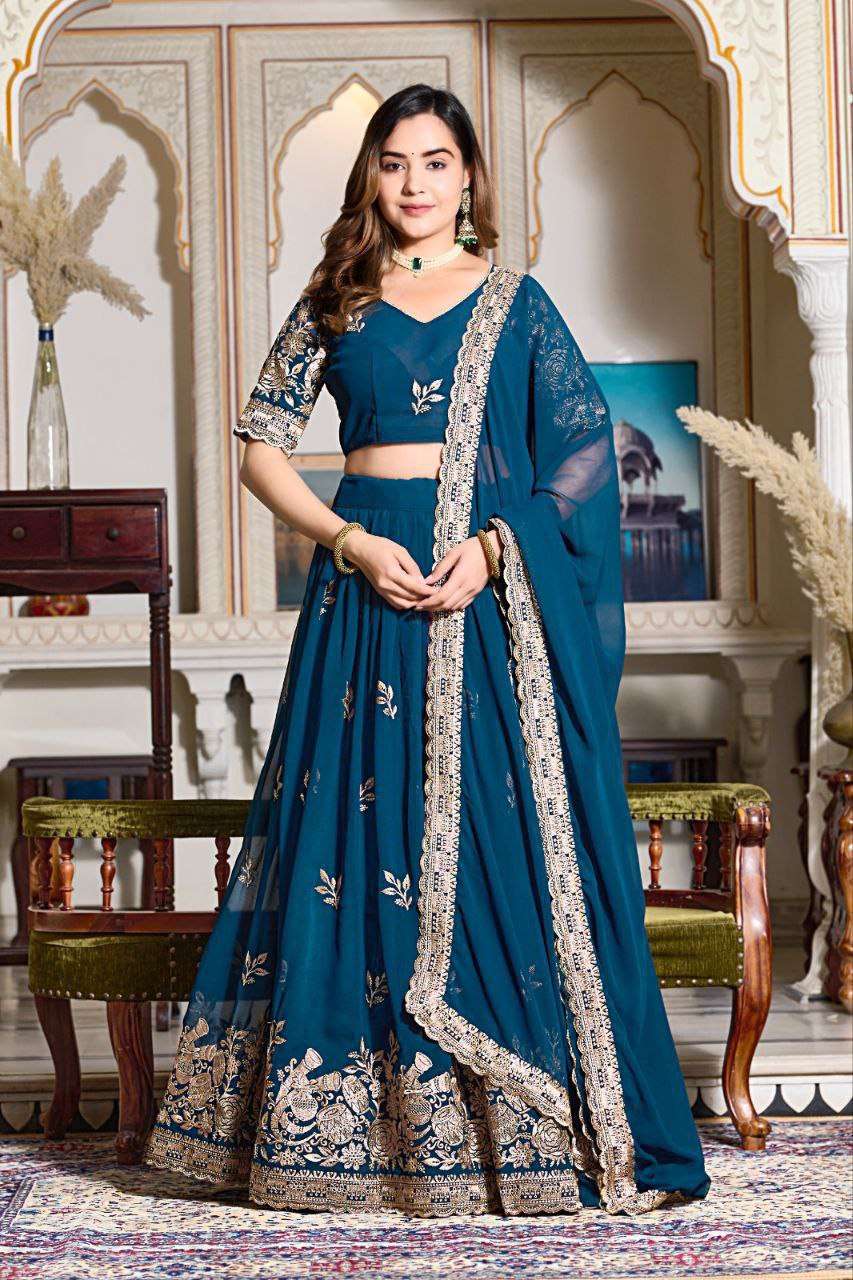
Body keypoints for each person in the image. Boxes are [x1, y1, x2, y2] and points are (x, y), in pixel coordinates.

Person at [144, 83, 711, 1218]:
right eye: (395, 161)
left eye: (436, 161)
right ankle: (352, 1135)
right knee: (353, 835)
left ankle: (512, 1128)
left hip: (475, 593)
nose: (414, 182)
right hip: (362, 585)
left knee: (487, 840)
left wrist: (497, 550)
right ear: (371, 174)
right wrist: (346, 540)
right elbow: (260, 447)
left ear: (467, 177)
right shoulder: (336, 297)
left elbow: (584, 450)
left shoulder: (514, 301)